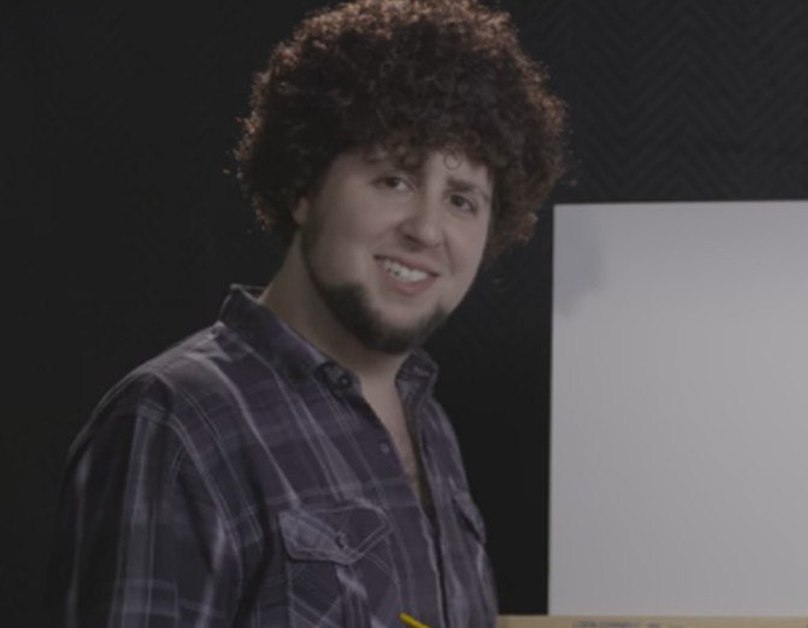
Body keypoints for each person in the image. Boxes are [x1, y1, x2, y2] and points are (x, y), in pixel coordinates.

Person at [46, 0, 566, 626]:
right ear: (304, 188)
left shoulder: (429, 424)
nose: (428, 229)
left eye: (462, 200)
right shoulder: (175, 423)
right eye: (394, 180)